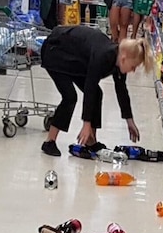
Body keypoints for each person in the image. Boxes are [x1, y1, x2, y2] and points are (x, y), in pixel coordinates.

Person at [39, 25, 153, 156]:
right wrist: (86, 123)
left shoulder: (117, 58)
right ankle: (49, 141)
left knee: (97, 94)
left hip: (75, 59)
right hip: (56, 52)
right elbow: (90, 86)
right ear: (124, 58)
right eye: (133, 66)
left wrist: (129, 120)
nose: (133, 71)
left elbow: (121, 90)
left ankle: (91, 141)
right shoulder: (103, 55)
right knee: (70, 97)